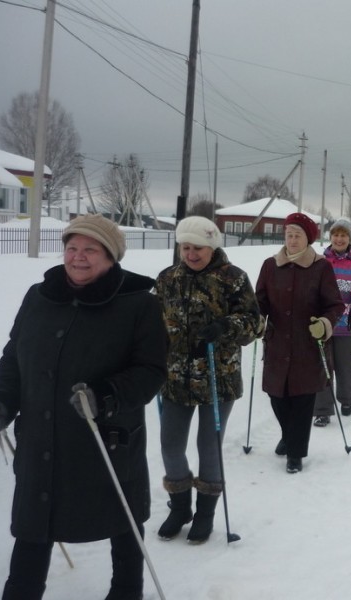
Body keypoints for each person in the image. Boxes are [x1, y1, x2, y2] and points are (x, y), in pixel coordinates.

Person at [0, 214, 167, 600]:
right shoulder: (39, 296)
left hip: (105, 441)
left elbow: (151, 371)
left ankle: (126, 591)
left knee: (123, 521)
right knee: (34, 523)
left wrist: (107, 394)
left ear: (111, 257)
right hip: (40, 439)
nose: (78, 257)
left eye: (90, 250)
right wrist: (2, 399)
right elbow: (14, 358)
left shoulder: (139, 305)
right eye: (72, 248)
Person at [154, 216, 262, 544]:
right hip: (175, 377)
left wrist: (225, 327)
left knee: (208, 446)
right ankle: (181, 506)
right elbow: (150, 319)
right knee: (170, 445)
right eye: (185, 247)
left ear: (211, 246)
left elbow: (254, 323)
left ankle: (205, 513)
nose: (190, 254)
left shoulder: (233, 278)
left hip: (219, 375)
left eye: (197, 247)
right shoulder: (168, 278)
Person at [255, 213, 344, 473]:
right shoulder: (270, 266)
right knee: (277, 397)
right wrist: (258, 319)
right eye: (288, 235)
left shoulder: (321, 267)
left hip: (308, 345)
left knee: (303, 400)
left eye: (297, 235)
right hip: (277, 344)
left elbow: (335, 305)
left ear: (308, 239)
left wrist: (325, 324)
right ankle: (289, 434)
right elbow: (259, 301)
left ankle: (295, 453)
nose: (292, 240)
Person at [312, 218, 351, 426]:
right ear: (331, 237)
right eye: (335, 235)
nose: (339, 239)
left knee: (345, 366)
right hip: (322, 325)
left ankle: (347, 399)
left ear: (349, 239)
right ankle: (322, 410)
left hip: (346, 324)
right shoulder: (319, 261)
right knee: (322, 367)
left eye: (343, 235)